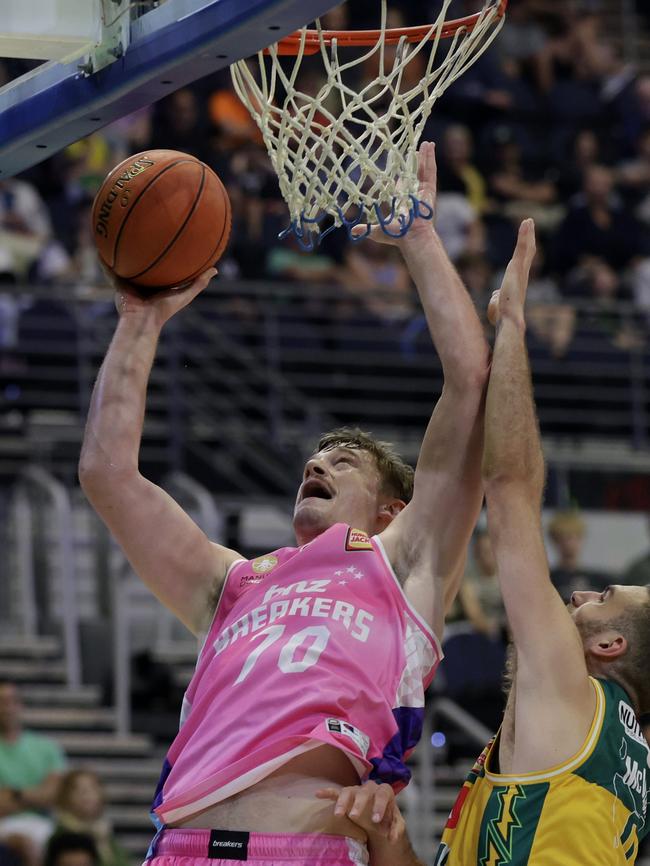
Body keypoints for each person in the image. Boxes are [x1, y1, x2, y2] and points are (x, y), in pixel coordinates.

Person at [78, 141, 490, 865]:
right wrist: (140, 322)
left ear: (393, 509)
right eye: (315, 456)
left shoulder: (405, 563)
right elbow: (108, 474)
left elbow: (470, 386)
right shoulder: (233, 584)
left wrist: (419, 238)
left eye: (344, 459)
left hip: (302, 850)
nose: (316, 462)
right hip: (181, 848)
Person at [435, 219, 650, 863]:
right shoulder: (624, 758)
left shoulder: (578, 694)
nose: (580, 592)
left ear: (609, 646)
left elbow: (509, 488)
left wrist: (514, 327)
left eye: (604, 596)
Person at [0, 682, 66, 863]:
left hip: (44, 825)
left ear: (21, 705)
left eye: (12, 701)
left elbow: (54, 795)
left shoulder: (47, 748)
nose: (7, 708)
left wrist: (13, 794)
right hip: (4, 826)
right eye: (2, 702)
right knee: (27, 844)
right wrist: (35, 797)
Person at [51, 770, 131, 866]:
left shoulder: (105, 834)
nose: (86, 795)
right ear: (65, 796)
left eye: (92, 788)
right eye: (78, 789)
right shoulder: (62, 836)